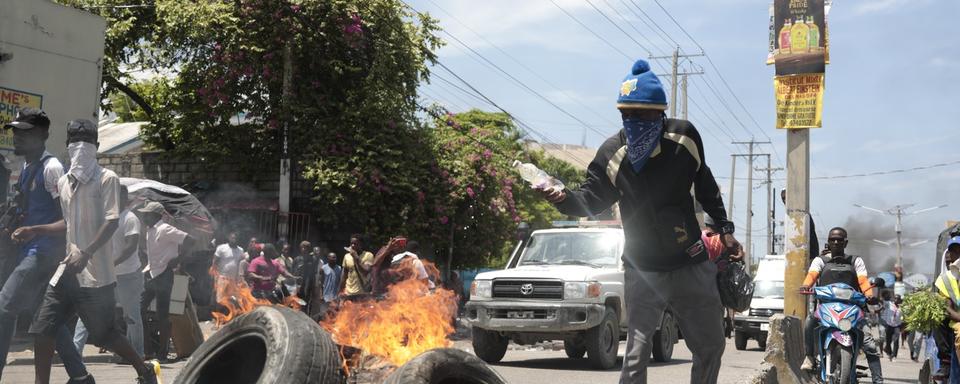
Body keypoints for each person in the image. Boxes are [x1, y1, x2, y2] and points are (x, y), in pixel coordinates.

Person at [539, 59, 741, 383]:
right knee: (636, 355)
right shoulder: (611, 153)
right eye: (626, 114)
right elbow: (590, 199)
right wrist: (563, 199)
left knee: (711, 345)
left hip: (690, 261)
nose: (633, 121)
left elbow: (705, 185)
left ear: (660, 113)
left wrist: (725, 229)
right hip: (643, 269)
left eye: (641, 113)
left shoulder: (685, 138)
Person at [26, 119, 156, 384]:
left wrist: (86, 252)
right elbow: (68, 222)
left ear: (95, 147)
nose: (80, 149)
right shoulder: (63, 182)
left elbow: (111, 221)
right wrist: (37, 229)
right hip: (67, 269)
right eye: (74, 143)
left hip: (97, 274)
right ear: (67, 147)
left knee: (104, 334)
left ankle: (144, 370)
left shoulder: (107, 179)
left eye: (86, 144)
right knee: (43, 327)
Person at [2, 110, 92, 383]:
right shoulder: (27, 168)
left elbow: (70, 220)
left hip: (43, 254)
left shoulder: (52, 168)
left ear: (42, 135)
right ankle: (81, 377)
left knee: (4, 309)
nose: (17, 136)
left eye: (25, 131)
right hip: (27, 252)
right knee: (46, 319)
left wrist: (34, 230)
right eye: (15, 131)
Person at [799, 227, 882, 383]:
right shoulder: (820, 261)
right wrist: (806, 285)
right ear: (828, 242)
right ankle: (809, 357)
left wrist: (869, 296)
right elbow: (812, 275)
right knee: (809, 322)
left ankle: (878, 380)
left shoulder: (855, 261)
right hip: (826, 309)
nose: (836, 242)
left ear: (846, 242)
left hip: (852, 311)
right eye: (832, 239)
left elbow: (863, 281)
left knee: (870, 345)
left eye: (839, 239)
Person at [74, 184, 145, 360]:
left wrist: (111, 264)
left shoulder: (129, 218)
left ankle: (137, 353)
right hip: (104, 274)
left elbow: (130, 247)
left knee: (131, 316)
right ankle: (74, 351)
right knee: (88, 310)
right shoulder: (104, 219)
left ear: (123, 199)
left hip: (128, 275)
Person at [139, 201, 193, 363]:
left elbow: (191, 240)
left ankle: (162, 354)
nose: (144, 217)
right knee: (138, 309)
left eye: (147, 214)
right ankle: (148, 349)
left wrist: (177, 260)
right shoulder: (150, 230)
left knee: (163, 315)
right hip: (151, 273)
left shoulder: (165, 229)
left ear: (156, 215)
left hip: (164, 275)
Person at [316, 252, 342, 319]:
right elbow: (320, 282)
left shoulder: (339, 268)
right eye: (331, 257)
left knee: (334, 315)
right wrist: (321, 294)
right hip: (325, 296)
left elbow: (340, 282)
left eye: (334, 257)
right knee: (324, 315)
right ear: (328, 258)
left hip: (335, 296)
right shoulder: (323, 268)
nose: (333, 259)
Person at [880, 291, 903, 360]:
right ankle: (889, 353)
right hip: (889, 325)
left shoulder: (902, 307)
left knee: (896, 341)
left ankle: (894, 355)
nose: (896, 300)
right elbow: (882, 301)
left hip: (897, 326)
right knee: (888, 341)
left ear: (899, 300)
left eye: (897, 299)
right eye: (895, 298)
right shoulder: (889, 304)